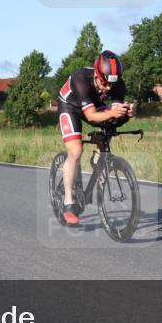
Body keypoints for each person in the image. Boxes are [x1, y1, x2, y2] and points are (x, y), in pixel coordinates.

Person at [57, 50, 135, 225]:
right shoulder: (81, 79)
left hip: (93, 106)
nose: (108, 88)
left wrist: (128, 113)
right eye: (104, 83)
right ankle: (68, 202)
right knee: (76, 151)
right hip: (70, 106)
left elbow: (114, 116)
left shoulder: (118, 85)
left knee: (110, 124)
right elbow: (91, 116)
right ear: (96, 74)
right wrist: (112, 111)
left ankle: (99, 159)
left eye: (111, 85)